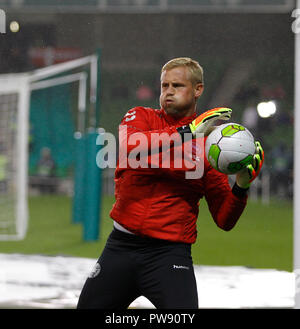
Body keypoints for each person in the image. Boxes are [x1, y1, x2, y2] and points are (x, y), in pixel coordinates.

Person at [77, 57, 264, 309]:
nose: (168, 92)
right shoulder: (140, 117)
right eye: (165, 86)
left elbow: (224, 219)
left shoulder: (209, 149)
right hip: (120, 248)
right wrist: (188, 132)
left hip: (169, 256)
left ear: (198, 90)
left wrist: (241, 185)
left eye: (177, 85)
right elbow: (131, 146)